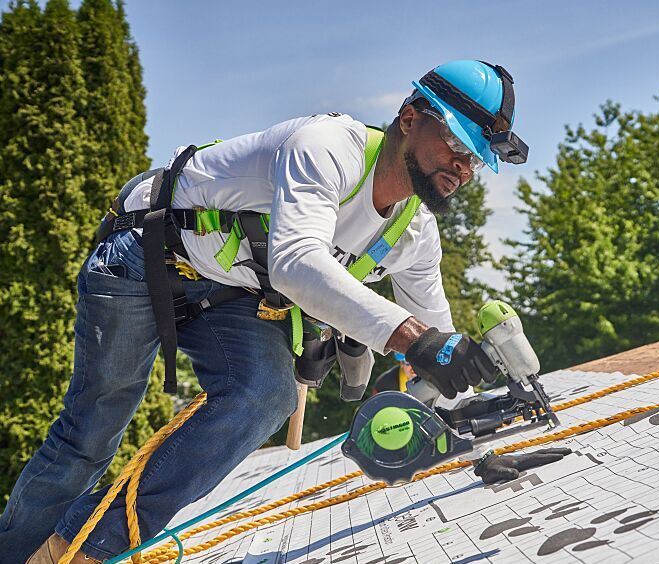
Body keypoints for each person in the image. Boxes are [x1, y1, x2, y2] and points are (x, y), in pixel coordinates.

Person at [3, 59, 528, 563]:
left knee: (266, 395)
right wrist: (410, 336)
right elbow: (296, 263)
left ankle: (88, 547)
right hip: (145, 256)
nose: (464, 166)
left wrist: (474, 442)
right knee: (90, 434)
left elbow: (439, 347)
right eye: (458, 143)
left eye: (478, 159)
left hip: (227, 290)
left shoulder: (415, 233)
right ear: (410, 118)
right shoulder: (327, 148)